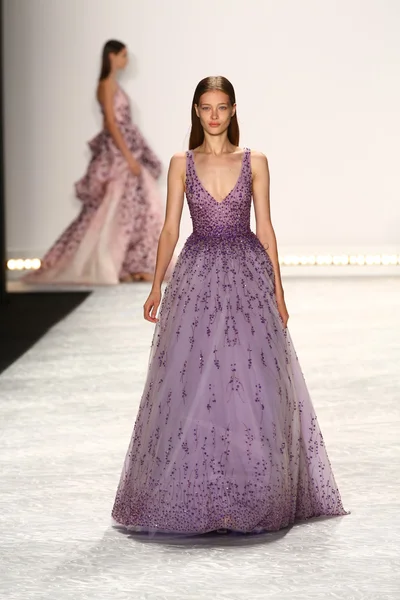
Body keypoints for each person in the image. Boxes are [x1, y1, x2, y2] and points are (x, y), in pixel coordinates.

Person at [112, 76, 347, 534]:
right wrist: (156, 285)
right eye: (206, 107)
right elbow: (168, 230)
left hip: (246, 274)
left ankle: (256, 491)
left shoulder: (255, 161)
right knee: (194, 378)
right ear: (196, 112)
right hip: (197, 276)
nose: (214, 115)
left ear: (234, 109)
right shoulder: (181, 163)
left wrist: (279, 291)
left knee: (251, 381)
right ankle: (199, 491)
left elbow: (266, 228)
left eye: (221, 107)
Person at [26, 40, 170, 285]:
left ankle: (132, 265)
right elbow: (111, 124)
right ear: (112, 56)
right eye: (123, 56)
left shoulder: (113, 85)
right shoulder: (105, 85)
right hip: (118, 156)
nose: (126, 61)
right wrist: (128, 157)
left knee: (134, 210)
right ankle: (110, 263)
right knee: (111, 210)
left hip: (125, 152)